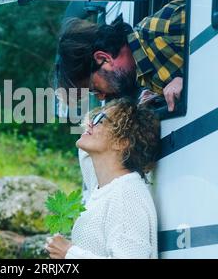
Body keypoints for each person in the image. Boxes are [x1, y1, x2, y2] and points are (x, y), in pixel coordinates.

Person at [46, 99, 160, 259]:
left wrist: (69, 253)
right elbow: (85, 154)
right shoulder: (103, 187)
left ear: (121, 143)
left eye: (101, 120)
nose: (91, 123)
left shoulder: (127, 195)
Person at [56, 0, 186, 112]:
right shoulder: (141, 75)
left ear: (103, 58)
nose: (101, 97)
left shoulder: (167, 26)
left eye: (94, 89)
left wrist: (189, 80)